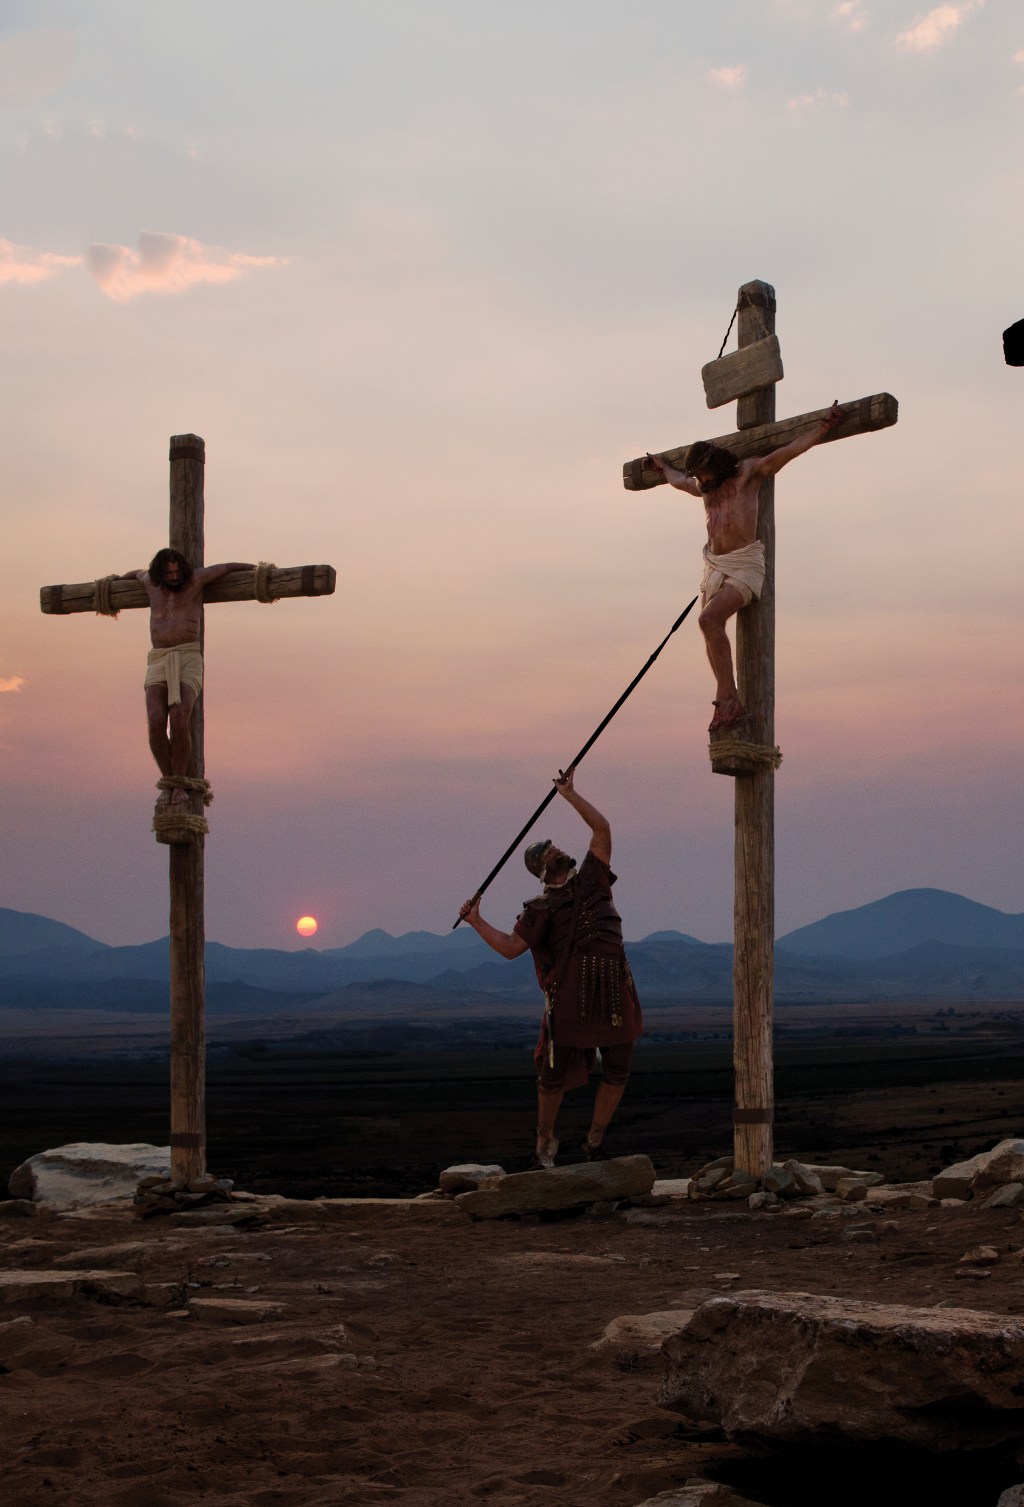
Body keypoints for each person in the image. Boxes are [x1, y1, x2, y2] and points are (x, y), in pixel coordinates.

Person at [459, 768, 643, 1169]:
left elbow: (602, 828)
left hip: (612, 991)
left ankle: (595, 1141)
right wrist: (476, 920)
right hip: (570, 1000)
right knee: (552, 1073)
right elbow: (511, 948)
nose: (555, 852)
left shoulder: (594, 879)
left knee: (618, 1067)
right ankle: (545, 1140)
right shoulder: (539, 909)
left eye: (554, 847)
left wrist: (570, 795)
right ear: (540, 870)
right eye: (546, 854)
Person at [648, 400, 845, 732]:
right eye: (699, 475)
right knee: (710, 628)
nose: (702, 479)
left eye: (705, 472)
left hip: (744, 566)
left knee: (709, 619)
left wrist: (822, 429)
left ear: (718, 464)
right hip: (714, 566)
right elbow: (678, 480)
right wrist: (661, 467)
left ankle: (728, 699)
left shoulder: (747, 475)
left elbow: (785, 452)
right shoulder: (703, 488)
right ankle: (726, 699)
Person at [119, 550, 253, 807]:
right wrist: (113, 579)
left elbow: (226, 566)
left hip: (188, 656)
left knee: (180, 717)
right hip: (159, 658)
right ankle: (168, 781)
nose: (174, 577)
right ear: (160, 573)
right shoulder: (150, 582)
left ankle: (179, 783)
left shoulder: (195, 581)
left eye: (177, 572)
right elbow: (134, 574)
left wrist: (260, 571)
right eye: (168, 573)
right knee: (157, 719)